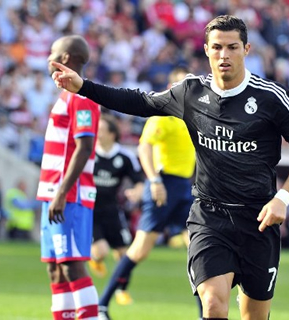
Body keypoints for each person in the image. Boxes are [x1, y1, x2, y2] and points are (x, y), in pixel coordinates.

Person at [51, 15, 289, 320]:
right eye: (217, 47)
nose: (224, 55)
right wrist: (84, 86)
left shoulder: (271, 98)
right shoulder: (191, 92)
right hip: (210, 216)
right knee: (214, 304)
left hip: (258, 220)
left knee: (254, 316)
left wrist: (282, 198)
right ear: (206, 50)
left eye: (232, 47)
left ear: (246, 49)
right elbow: (141, 102)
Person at [96, 66, 203, 319]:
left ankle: (204, 313)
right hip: (164, 186)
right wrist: (154, 181)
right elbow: (144, 148)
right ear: (172, 86)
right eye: (182, 82)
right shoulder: (163, 115)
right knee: (140, 250)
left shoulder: (193, 116)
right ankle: (102, 305)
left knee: (198, 250)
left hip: (185, 188)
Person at [37, 35, 101, 320]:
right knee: (55, 267)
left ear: (64, 59)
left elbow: (85, 147)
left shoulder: (82, 96)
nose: (48, 57)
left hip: (70, 195)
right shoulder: (66, 96)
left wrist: (62, 193)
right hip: (51, 192)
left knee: (72, 263)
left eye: (53, 52)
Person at [89, 113, 144, 306]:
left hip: (113, 209)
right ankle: (95, 258)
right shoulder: (88, 152)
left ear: (112, 134)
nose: (97, 133)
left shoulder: (124, 156)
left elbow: (139, 180)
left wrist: (137, 192)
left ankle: (122, 290)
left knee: (124, 253)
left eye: (101, 130)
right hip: (91, 210)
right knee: (102, 251)